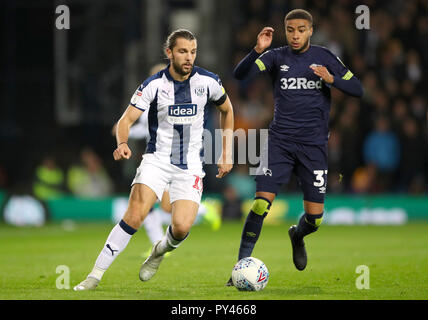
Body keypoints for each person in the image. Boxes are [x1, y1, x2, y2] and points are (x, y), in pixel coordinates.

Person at [74, 29, 234, 291]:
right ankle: (95, 274)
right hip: (156, 161)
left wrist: (226, 153)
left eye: (193, 52)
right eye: (183, 51)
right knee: (135, 215)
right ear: (169, 52)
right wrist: (122, 143)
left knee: (181, 227)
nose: (189, 57)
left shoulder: (208, 81)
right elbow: (125, 121)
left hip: (191, 166)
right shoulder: (153, 85)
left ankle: (158, 252)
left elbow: (227, 110)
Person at [227, 9, 363, 285]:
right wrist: (256, 50)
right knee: (259, 204)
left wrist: (332, 80)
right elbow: (241, 75)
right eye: (291, 30)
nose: (296, 35)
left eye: (301, 29)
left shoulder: (325, 57)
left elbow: (358, 89)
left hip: (313, 147)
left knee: (315, 219)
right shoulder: (277, 57)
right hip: (280, 142)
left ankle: (297, 235)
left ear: (311, 30)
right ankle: (239, 268)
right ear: (285, 31)